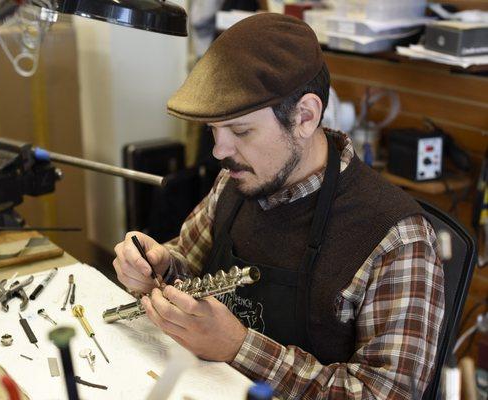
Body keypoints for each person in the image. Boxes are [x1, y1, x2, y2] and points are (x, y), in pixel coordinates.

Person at [113, 13, 445, 400]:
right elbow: (186, 259)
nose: (221, 152)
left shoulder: (397, 239)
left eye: (240, 131)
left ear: (304, 116)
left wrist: (239, 347)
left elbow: (383, 395)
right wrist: (159, 266)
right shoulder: (237, 181)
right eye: (213, 131)